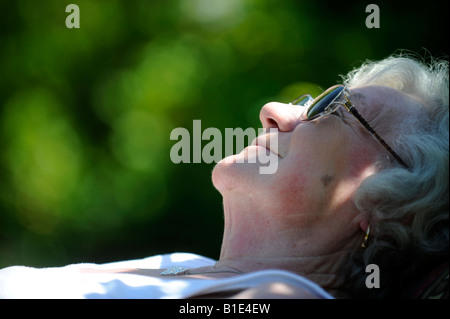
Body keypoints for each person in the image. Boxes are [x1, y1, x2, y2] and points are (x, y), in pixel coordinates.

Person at [0, 53, 448, 299]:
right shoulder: (185, 266)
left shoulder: (276, 296)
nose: (273, 111)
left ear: (389, 206)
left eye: (334, 108)